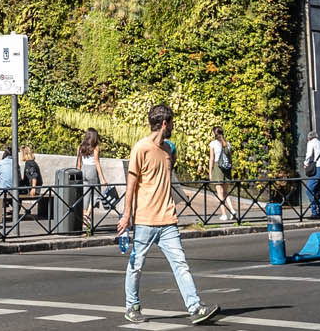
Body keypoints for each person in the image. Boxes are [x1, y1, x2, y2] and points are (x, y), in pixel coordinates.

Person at [120, 103, 217, 326]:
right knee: (136, 266)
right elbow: (131, 184)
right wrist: (126, 216)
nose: (173, 126)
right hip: (145, 219)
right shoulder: (141, 148)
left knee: (181, 264)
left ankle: (195, 308)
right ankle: (132, 307)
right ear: (164, 123)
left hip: (168, 220)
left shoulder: (167, 151)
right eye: (171, 122)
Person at [79, 128, 109, 221]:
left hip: (83, 170)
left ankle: (84, 215)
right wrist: (103, 179)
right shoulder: (95, 147)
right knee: (96, 193)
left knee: (85, 193)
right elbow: (97, 163)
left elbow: (79, 163)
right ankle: (87, 213)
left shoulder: (81, 147)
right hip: (92, 170)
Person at [302, 129, 320, 219]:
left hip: (318, 169)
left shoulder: (311, 143)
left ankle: (315, 213)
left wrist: (306, 163)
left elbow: (309, 154)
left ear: (309, 138)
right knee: (316, 191)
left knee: (309, 190)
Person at [208, 129, 234, 221]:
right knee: (226, 192)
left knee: (220, 193)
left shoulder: (213, 144)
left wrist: (210, 172)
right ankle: (232, 210)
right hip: (226, 169)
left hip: (218, 168)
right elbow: (230, 158)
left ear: (214, 134)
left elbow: (211, 159)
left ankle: (224, 214)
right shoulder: (228, 143)